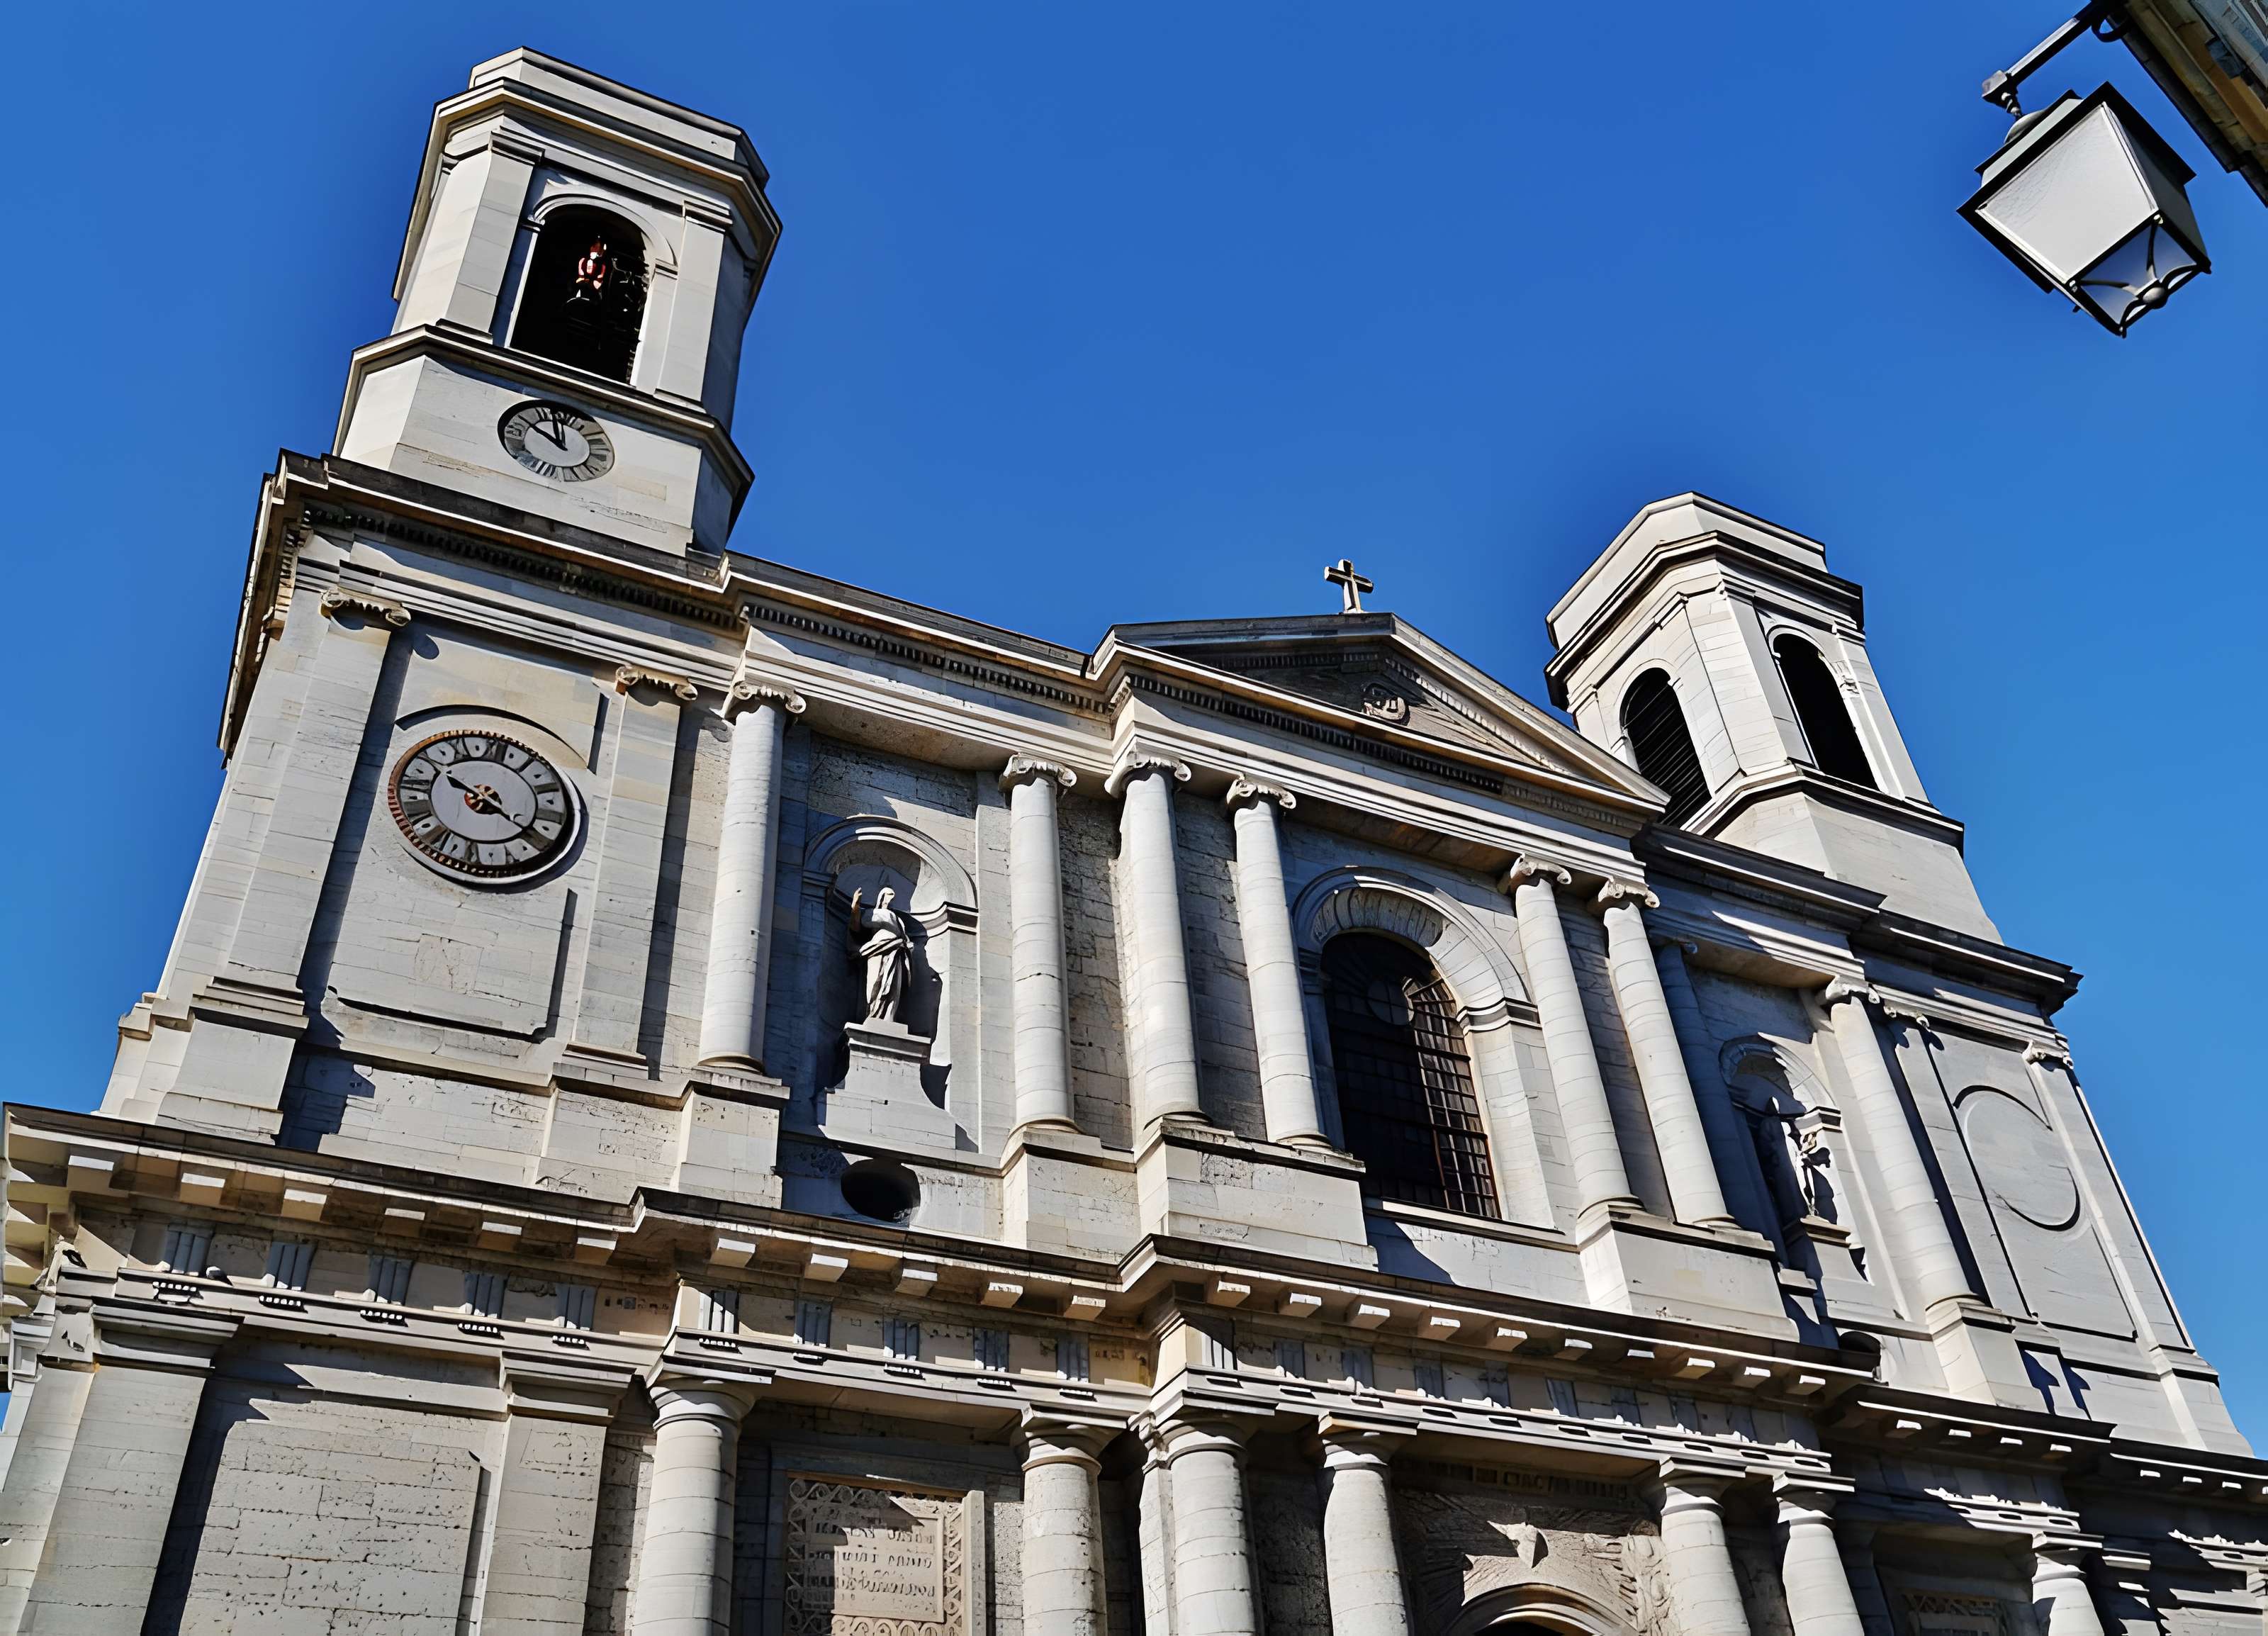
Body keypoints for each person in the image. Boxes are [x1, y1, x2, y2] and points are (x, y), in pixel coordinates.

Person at [847, 885, 911, 1024]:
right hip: (877, 950)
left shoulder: (898, 920)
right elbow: (855, 926)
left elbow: (905, 937)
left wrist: (908, 946)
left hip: (896, 951)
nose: (891, 900)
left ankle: (889, 1017)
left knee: (893, 986)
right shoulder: (872, 913)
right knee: (876, 983)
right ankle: (873, 1014)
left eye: (893, 897)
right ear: (882, 898)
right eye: (889, 896)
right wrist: (856, 905)